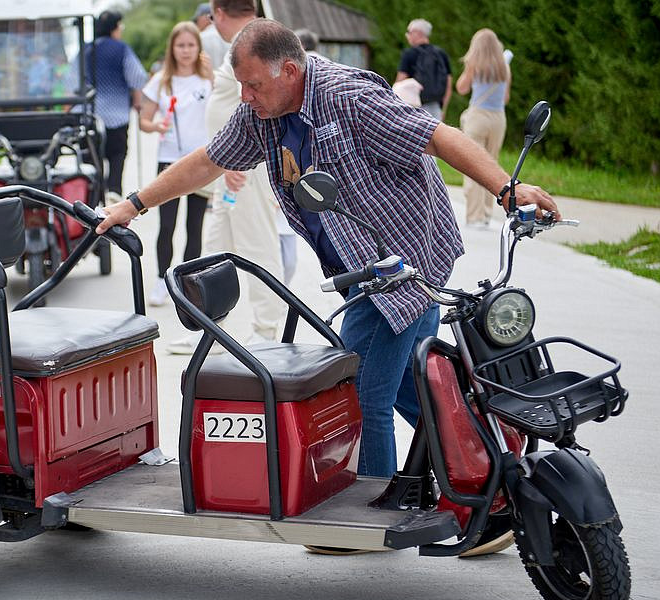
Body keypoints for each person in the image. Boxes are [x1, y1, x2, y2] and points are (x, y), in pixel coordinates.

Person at [97, 18, 558, 481]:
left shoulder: (348, 97)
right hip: (364, 267)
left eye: (253, 85)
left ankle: (372, 507)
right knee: (411, 385)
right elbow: (209, 161)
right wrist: (134, 204)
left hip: (396, 264)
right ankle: (490, 479)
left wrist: (506, 189)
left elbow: (437, 136)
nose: (245, 96)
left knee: (359, 395)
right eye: (241, 85)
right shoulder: (261, 114)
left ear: (289, 71)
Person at [164, 0, 286, 354]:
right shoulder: (245, 42)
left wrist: (238, 161)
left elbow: (261, 105)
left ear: (217, 12)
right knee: (215, 248)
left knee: (257, 245)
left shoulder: (253, 43)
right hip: (228, 167)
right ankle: (211, 327)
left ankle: (267, 330)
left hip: (244, 167)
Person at [139, 22, 214, 306]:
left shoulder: (208, 79)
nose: (185, 51)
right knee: (167, 224)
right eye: (180, 45)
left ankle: (188, 284)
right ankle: (162, 280)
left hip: (201, 161)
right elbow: (144, 121)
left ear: (198, 48)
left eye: (191, 45)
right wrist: (156, 126)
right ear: (172, 48)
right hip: (169, 159)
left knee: (195, 225)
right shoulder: (161, 80)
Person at [86, 10, 148, 200]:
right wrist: (137, 101)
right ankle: (114, 191)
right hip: (117, 114)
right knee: (117, 154)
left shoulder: (87, 49)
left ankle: (95, 194)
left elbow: (72, 81)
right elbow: (137, 77)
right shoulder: (121, 49)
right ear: (114, 27)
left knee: (92, 157)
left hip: (90, 114)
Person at [457, 28, 511, 229]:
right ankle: (487, 213)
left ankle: (474, 216)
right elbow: (506, 98)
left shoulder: (475, 64)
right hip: (498, 119)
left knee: (472, 163)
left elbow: (461, 88)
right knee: (491, 165)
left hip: (478, 117)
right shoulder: (505, 67)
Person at [396, 18, 452, 121]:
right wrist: (443, 110)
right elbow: (448, 84)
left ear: (417, 33)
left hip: (414, 107)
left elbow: (399, 83)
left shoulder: (409, 54)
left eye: (409, 32)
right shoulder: (441, 54)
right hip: (435, 108)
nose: (407, 35)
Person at [197, 2, 229, 69]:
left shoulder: (199, 38)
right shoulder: (228, 36)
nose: (197, 22)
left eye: (198, 18)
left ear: (207, 17)